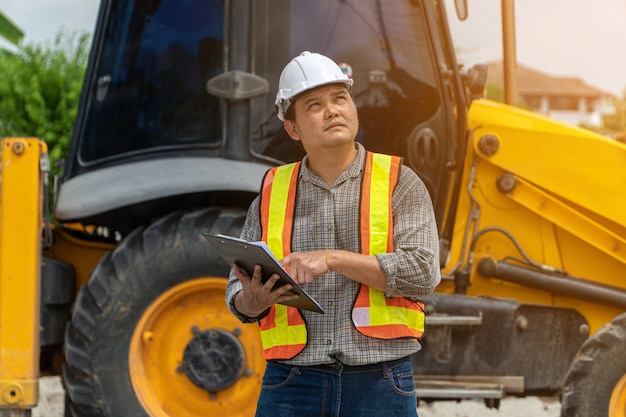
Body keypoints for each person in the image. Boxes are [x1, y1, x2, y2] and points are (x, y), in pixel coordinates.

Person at [225, 51, 441, 417]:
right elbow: (236, 292)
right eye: (314, 104)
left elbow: (423, 274)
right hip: (292, 384)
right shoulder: (273, 191)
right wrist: (254, 301)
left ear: (354, 108)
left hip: (379, 383)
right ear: (293, 127)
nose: (332, 110)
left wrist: (333, 260)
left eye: (340, 98)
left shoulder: (398, 182)